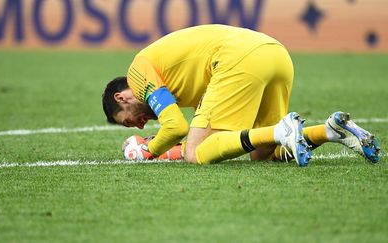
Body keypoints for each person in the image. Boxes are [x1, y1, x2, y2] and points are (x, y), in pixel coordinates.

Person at [102, 24, 380, 166]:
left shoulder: (138, 74)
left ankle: (281, 131)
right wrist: (168, 149)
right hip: (275, 53)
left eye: (129, 121)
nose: (140, 125)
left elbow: (176, 127)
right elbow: (203, 132)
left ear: (121, 98)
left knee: (196, 154)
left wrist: (147, 150)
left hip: (238, 58)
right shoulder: (177, 83)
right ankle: (332, 131)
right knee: (262, 155)